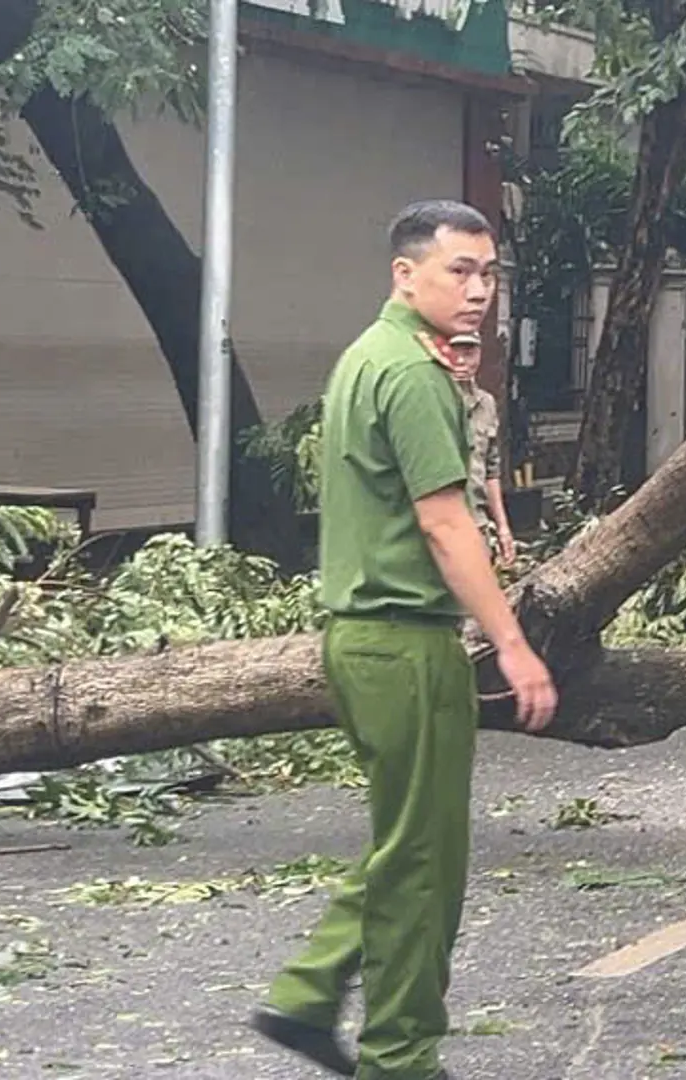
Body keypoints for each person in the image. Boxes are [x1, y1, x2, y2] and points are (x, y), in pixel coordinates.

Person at [250, 200, 559, 1080]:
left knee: (406, 843)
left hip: (359, 637)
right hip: (404, 638)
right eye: (459, 271)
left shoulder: (365, 357)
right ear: (406, 273)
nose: (478, 292)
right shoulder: (417, 375)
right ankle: (402, 1058)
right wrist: (511, 641)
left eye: (489, 274)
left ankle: (308, 997)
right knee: (425, 868)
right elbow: (444, 524)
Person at [445, 332, 516, 570]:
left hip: (477, 524)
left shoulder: (486, 404)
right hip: (439, 526)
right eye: (455, 352)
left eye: (469, 353)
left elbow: (490, 469)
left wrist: (503, 528)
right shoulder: (429, 399)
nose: (462, 361)